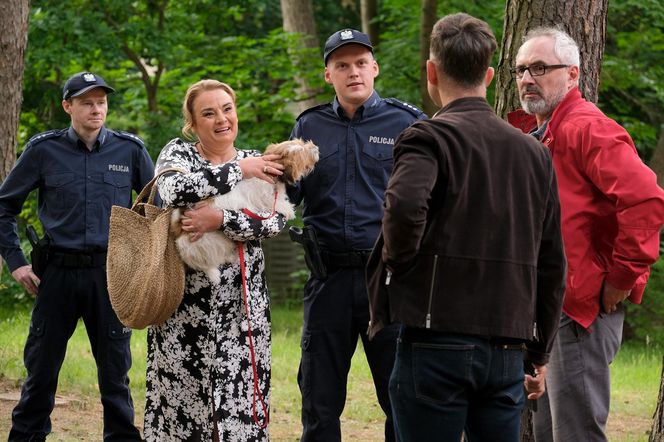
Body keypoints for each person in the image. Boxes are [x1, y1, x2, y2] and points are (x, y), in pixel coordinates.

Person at [365, 13, 568, 441]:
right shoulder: (533, 154)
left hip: (436, 338)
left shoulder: (428, 138)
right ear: (490, 75)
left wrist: (400, 268)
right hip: (508, 345)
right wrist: (539, 351)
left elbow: (403, 209)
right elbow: (552, 260)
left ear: (431, 72)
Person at [508, 27, 664, 442]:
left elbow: (647, 199)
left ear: (573, 74)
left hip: (580, 309)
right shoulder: (538, 132)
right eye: (521, 69)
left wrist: (619, 278)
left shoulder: (588, 128)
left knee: (575, 433)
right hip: (547, 305)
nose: (527, 78)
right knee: (546, 432)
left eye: (540, 68)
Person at [286, 28, 426, 441]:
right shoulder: (309, 125)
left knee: (400, 397)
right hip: (327, 279)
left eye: (361, 63)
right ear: (328, 74)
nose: (353, 72)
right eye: (342, 65)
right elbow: (284, 197)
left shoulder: (407, 123)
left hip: (388, 281)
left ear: (375, 68)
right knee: (319, 399)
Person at [0, 72, 153, 441]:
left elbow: (156, 210)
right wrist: (16, 262)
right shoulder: (42, 150)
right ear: (68, 106)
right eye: (86, 102)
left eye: (101, 102)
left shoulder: (129, 150)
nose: (96, 109)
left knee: (115, 376)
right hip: (57, 276)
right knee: (40, 372)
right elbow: (4, 208)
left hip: (110, 276)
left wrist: (145, 267)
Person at [144, 79, 288, 441]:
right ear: (192, 124)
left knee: (239, 412)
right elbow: (173, 189)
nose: (222, 118)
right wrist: (241, 172)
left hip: (243, 312)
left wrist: (220, 220)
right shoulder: (179, 154)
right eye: (208, 113)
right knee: (184, 412)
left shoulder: (255, 159)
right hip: (184, 310)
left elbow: (276, 219)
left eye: (227, 108)